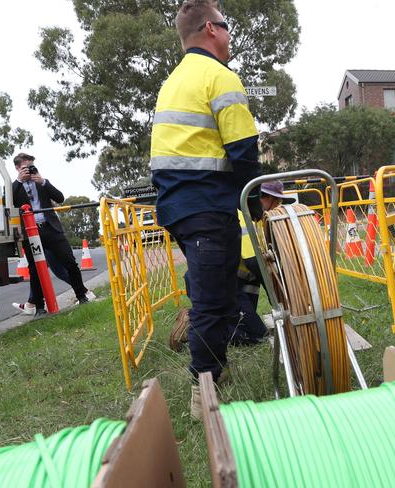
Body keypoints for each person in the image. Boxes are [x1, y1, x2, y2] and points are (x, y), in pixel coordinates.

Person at [150, 0, 261, 419]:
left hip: (182, 207)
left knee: (216, 293)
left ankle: (217, 370)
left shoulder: (174, 81)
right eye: (226, 25)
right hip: (207, 206)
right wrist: (255, 200)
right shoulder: (218, 76)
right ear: (211, 30)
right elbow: (244, 151)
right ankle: (204, 393)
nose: (229, 34)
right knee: (214, 303)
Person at [11, 153, 91, 316]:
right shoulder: (14, 186)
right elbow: (8, 201)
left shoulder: (40, 183)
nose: (29, 170)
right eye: (26, 167)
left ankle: (82, 297)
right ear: (18, 168)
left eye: (31, 166)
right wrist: (19, 181)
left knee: (70, 262)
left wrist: (43, 181)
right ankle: (39, 308)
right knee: (35, 270)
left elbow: (60, 198)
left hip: (50, 228)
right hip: (31, 232)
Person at [229, 181, 295, 345]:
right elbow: (255, 262)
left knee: (247, 328)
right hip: (223, 284)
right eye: (277, 201)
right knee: (258, 337)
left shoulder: (259, 219)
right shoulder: (243, 215)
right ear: (263, 198)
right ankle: (195, 323)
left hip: (240, 281)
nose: (278, 206)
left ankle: (211, 320)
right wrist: (283, 298)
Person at [12, 247, 95, 316]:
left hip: (45, 235)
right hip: (45, 235)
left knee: (58, 271)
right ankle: (31, 304)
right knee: (38, 269)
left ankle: (85, 293)